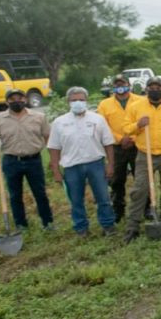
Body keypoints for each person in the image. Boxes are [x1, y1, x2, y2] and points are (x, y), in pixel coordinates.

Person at [121, 77, 161, 243]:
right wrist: (138, 125)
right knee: (140, 189)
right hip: (145, 154)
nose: (155, 89)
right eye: (151, 87)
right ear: (146, 89)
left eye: (158, 87)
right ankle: (133, 227)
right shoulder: (136, 107)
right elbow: (126, 129)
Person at [48, 86, 116, 237]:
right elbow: (54, 148)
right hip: (71, 167)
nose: (77, 103)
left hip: (96, 164)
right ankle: (81, 228)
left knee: (103, 198)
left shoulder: (98, 119)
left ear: (86, 101)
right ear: (68, 102)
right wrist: (56, 171)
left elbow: (108, 143)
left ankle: (108, 225)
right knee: (76, 200)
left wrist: (110, 164)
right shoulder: (59, 122)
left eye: (81, 100)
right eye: (74, 100)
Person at [0, 89, 54, 230]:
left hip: (33, 160)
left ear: (25, 99)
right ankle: (21, 224)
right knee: (15, 195)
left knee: (40, 193)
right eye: (13, 99)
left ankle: (47, 222)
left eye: (20, 98)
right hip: (11, 161)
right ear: (7, 102)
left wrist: (53, 158)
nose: (17, 101)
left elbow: (48, 137)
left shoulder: (39, 117)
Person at [97, 74, 143, 222]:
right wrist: (120, 139)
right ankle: (118, 209)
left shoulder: (141, 101)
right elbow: (103, 126)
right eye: (116, 84)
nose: (120, 87)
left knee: (141, 178)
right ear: (113, 87)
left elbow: (145, 123)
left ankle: (146, 207)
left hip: (138, 145)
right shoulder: (104, 104)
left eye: (122, 83)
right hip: (116, 148)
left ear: (129, 84)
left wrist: (132, 138)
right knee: (117, 180)